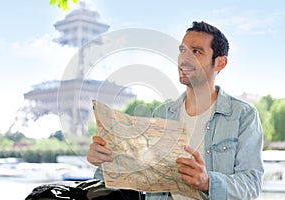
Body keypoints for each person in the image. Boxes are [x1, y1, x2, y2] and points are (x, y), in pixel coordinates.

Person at [87, 21, 264, 200]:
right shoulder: (162, 114)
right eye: (182, 50)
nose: (184, 59)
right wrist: (104, 161)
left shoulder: (243, 115)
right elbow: (136, 174)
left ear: (220, 63)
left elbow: (252, 184)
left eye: (196, 51)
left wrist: (208, 182)